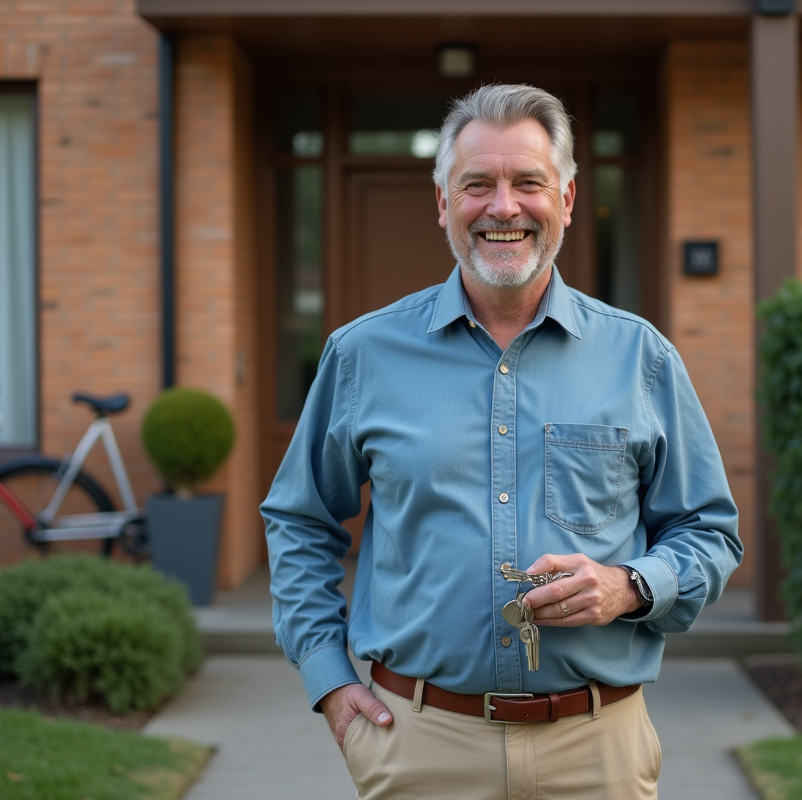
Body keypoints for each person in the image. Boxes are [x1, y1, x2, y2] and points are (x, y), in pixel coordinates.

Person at [261, 83, 742, 800]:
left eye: (528, 183)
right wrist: (327, 678)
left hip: (596, 749)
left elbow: (709, 531)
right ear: (443, 205)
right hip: (419, 747)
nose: (504, 207)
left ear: (569, 200)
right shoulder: (362, 355)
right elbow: (300, 519)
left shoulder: (641, 359)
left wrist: (630, 586)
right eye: (477, 185)